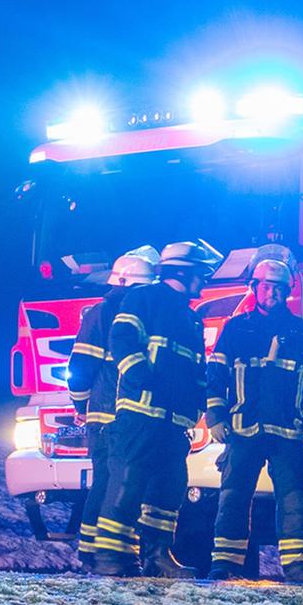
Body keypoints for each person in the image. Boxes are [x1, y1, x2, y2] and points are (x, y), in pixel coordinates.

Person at [202, 246, 303, 583]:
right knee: (233, 497)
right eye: (264, 286)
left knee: (293, 501)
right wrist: (215, 418)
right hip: (243, 431)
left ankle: (297, 568)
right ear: (254, 287)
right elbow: (214, 377)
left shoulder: (302, 332)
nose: (270, 293)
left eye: (277, 288)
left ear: (287, 291)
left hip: (289, 433)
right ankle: (225, 566)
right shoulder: (235, 329)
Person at [93, 239, 221, 576]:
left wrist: (197, 406)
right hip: (140, 414)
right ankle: (111, 558)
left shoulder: (192, 320)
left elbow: (197, 369)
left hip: (174, 423)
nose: (204, 281)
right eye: (201, 274)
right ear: (183, 271)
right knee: (128, 483)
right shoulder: (143, 298)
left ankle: (158, 556)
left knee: (169, 489)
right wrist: (140, 376)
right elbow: (121, 340)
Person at [67, 246, 158, 571]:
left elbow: (79, 371)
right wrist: (82, 404)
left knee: (110, 483)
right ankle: (97, 554)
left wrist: (81, 403)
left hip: (110, 414)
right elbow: (81, 367)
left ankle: (95, 553)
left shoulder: (102, 312)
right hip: (113, 416)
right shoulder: (112, 314)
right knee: (110, 482)